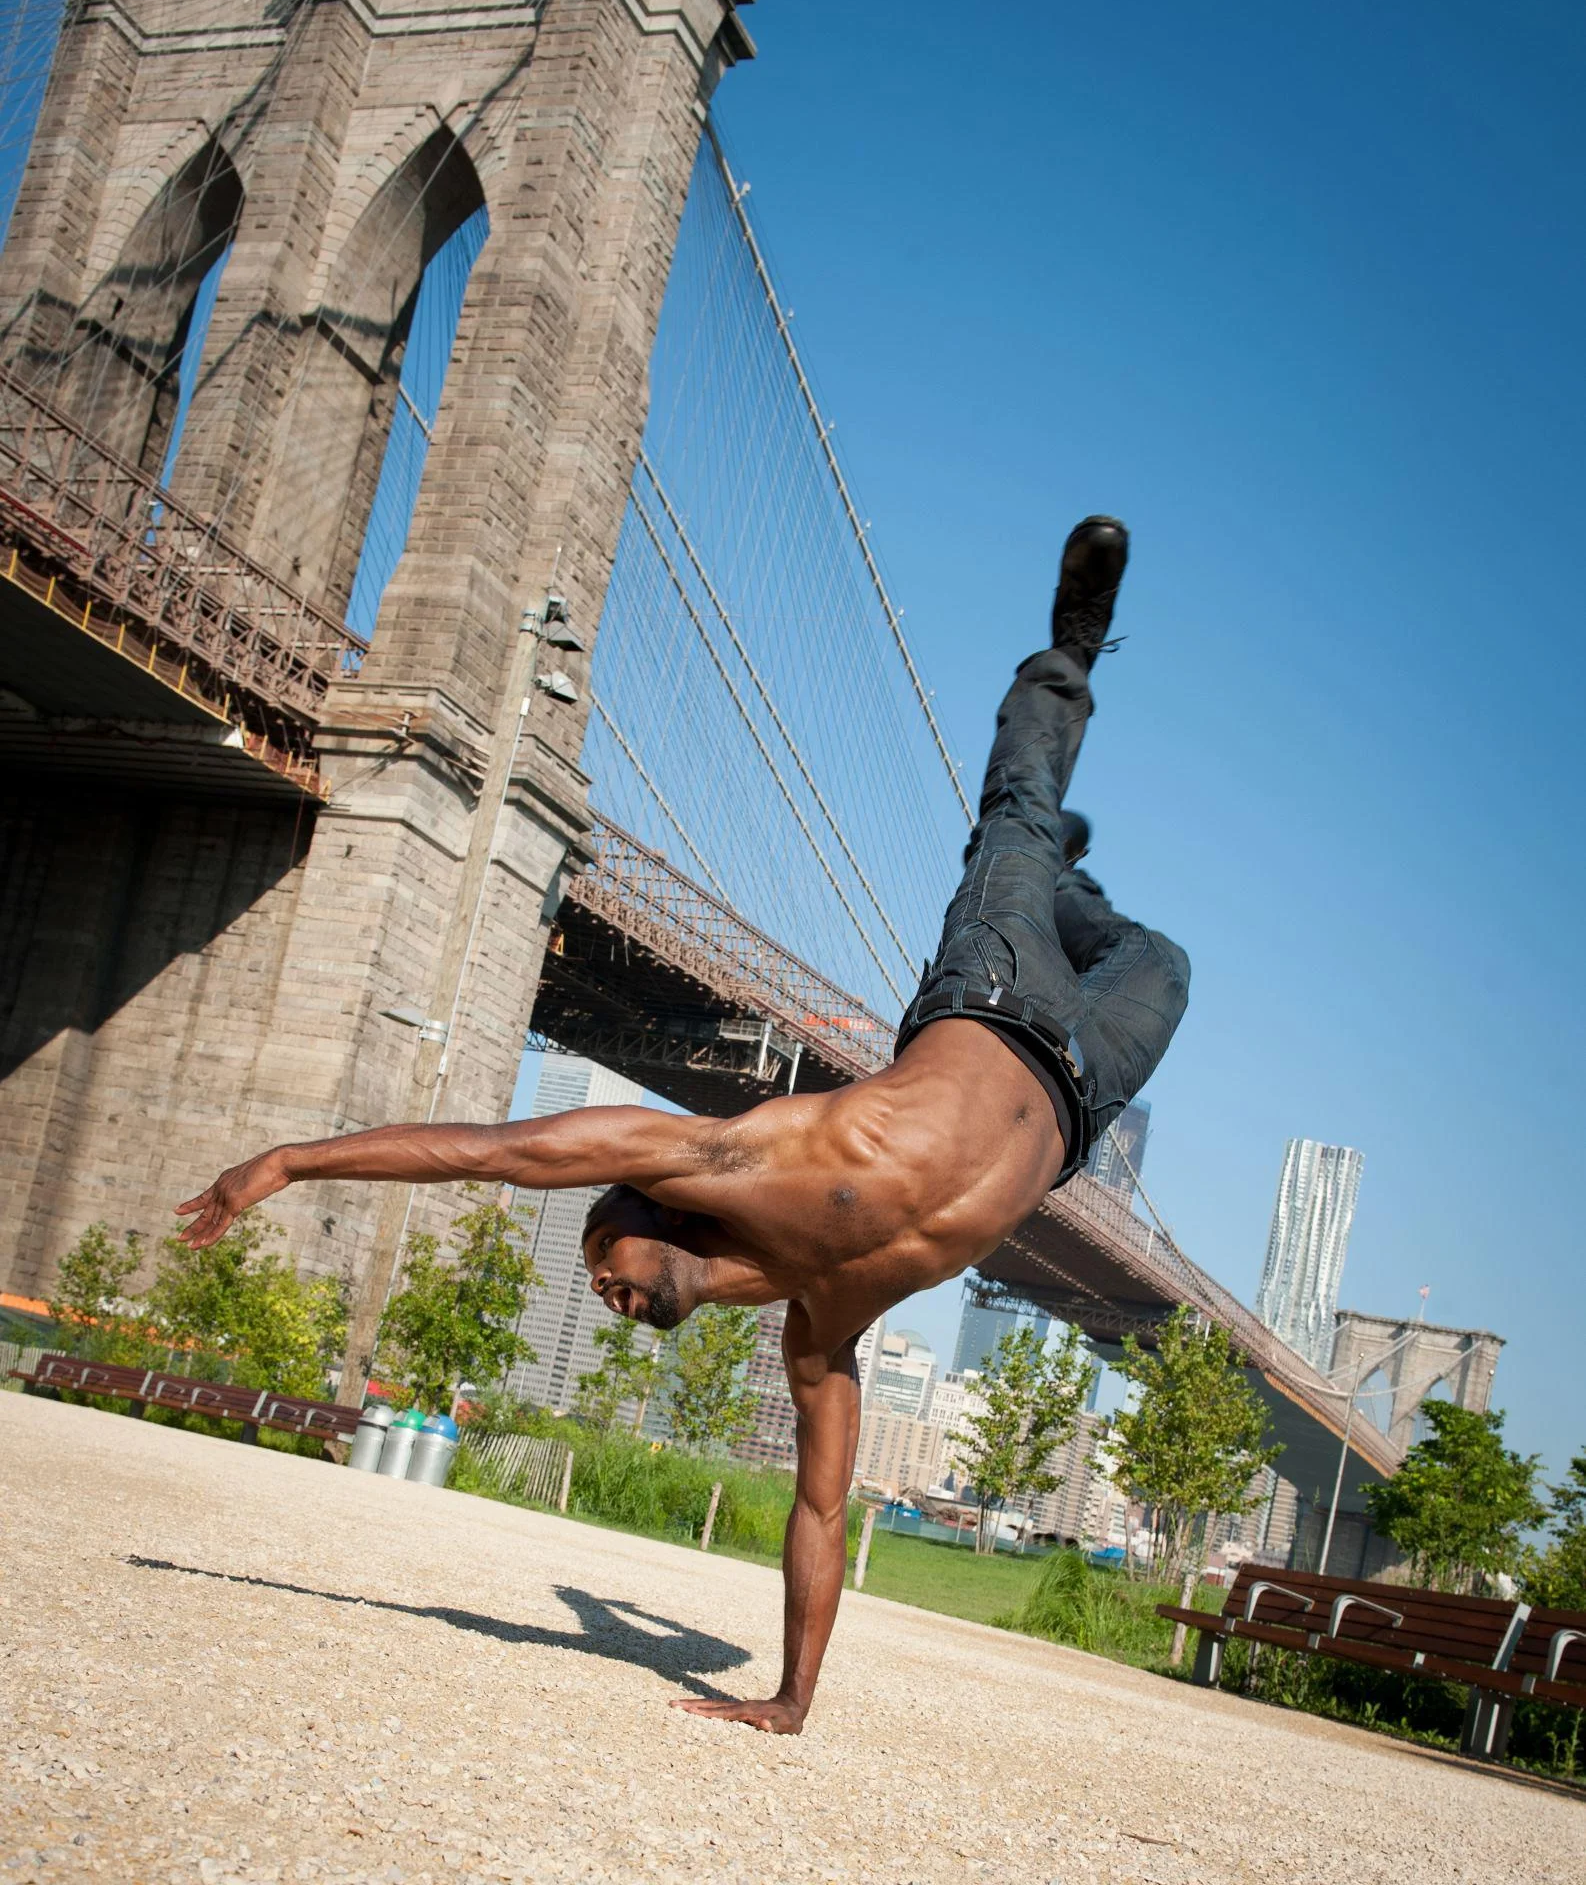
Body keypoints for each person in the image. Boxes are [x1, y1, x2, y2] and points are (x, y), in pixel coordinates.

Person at [176, 517, 1189, 1733]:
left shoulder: (729, 1157)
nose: (602, 1294)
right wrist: (790, 1695)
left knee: (1019, 813)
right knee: (1166, 959)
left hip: (995, 984)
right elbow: (819, 1509)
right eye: (604, 1288)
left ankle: (1067, 659)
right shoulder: (818, 1329)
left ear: (643, 1210)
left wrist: (286, 1157)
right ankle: (1073, 881)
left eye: (600, 1264)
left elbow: (489, 1153)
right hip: (1078, 1088)